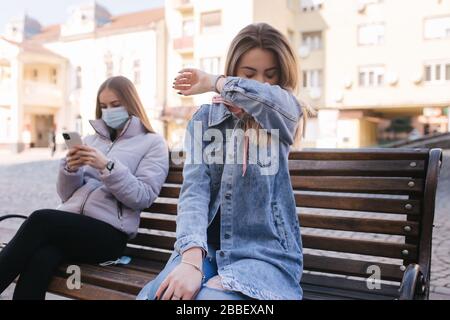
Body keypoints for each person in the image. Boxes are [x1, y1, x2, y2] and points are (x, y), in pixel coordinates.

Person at [138, 23, 305, 301]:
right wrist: (190, 261)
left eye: (270, 76)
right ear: (235, 71)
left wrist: (217, 82)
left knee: (208, 301)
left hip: (264, 256)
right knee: (162, 296)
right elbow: (194, 192)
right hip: (206, 250)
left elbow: (274, 102)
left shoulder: (282, 116)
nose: (260, 83)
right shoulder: (205, 120)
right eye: (249, 74)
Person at [0, 76, 169, 300]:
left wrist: (106, 166)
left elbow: (143, 196)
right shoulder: (91, 140)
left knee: (40, 220)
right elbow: (66, 195)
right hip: (71, 229)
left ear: (131, 103)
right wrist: (70, 169)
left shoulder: (153, 143)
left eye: (116, 105)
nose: (109, 111)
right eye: (104, 106)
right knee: (42, 256)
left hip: (109, 235)